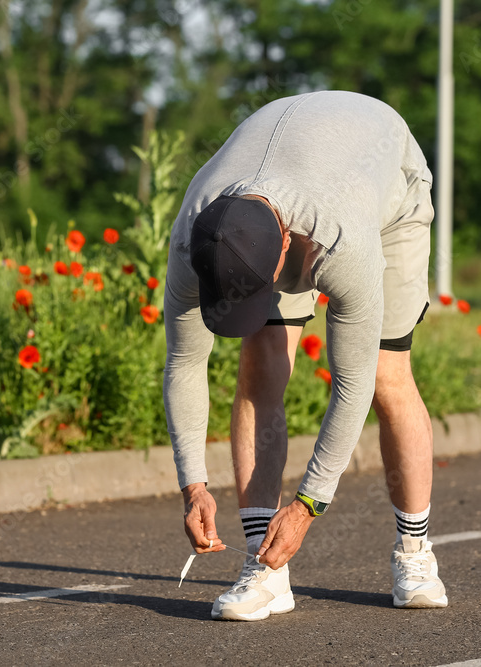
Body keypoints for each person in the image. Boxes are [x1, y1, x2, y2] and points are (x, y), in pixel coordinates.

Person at [163, 90, 446, 621]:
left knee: (386, 375)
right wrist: (192, 483)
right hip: (287, 167)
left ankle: (415, 553)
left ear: (286, 254)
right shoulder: (193, 239)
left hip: (384, 183)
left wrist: (308, 504)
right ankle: (262, 568)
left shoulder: (340, 239)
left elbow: (351, 384)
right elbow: (183, 362)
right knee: (261, 364)